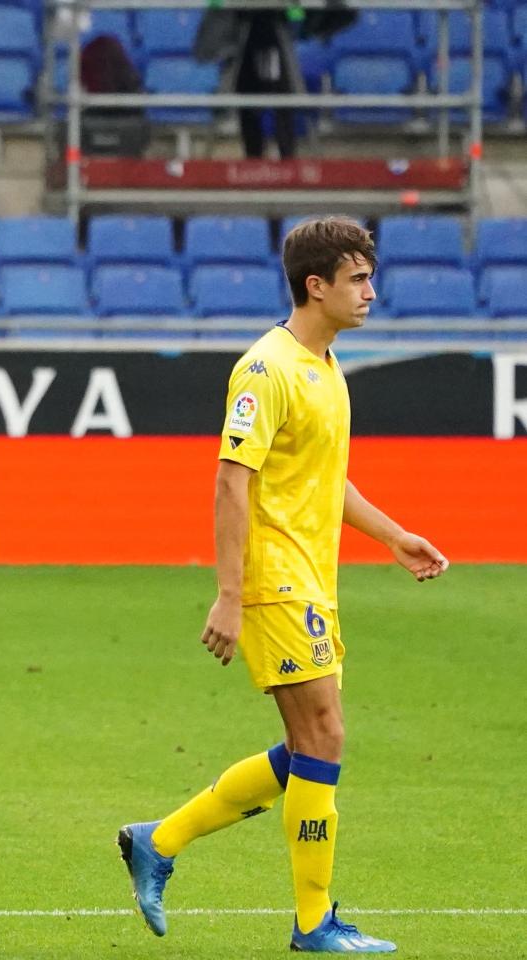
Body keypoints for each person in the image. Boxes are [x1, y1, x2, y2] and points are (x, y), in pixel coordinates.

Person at [118, 217, 448, 954]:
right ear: (316, 285)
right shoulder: (265, 370)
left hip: (311, 577)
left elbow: (327, 481)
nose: (371, 291)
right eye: (357, 279)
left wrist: (394, 536)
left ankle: (158, 841)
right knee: (323, 734)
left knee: (310, 743)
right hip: (273, 579)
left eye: (369, 276)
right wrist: (230, 595)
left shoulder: (325, 368)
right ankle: (313, 923)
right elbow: (231, 481)